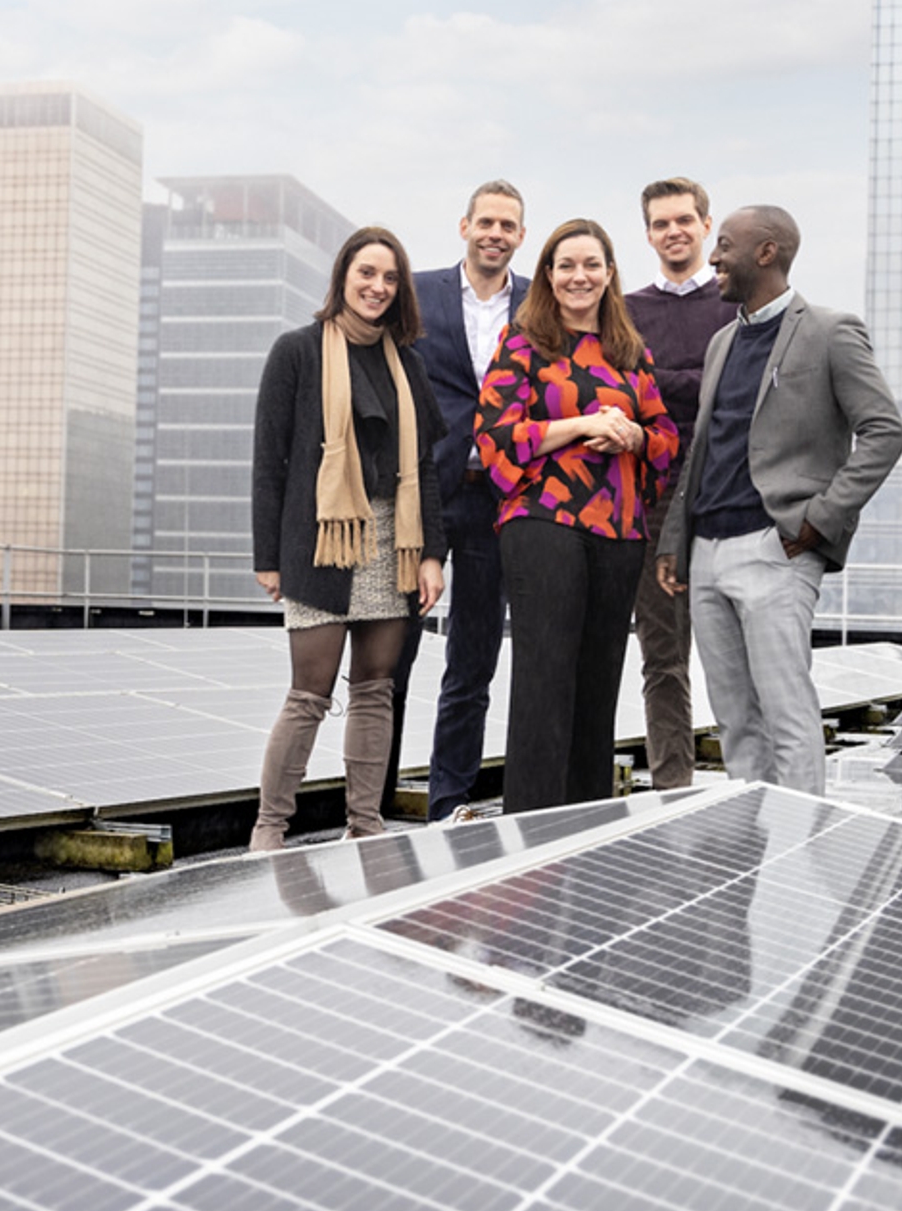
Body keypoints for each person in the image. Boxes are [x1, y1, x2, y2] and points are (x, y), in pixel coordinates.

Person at [656, 206, 902, 794]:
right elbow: (704, 447)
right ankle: (756, 837)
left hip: (777, 547)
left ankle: (801, 837)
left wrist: (820, 521)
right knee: (735, 721)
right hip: (706, 552)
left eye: (725, 245)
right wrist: (675, 539)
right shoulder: (722, 342)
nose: (715, 257)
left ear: (766, 252)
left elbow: (884, 431)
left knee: (787, 714)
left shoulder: (830, 331)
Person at [250, 225, 448, 849]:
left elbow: (427, 467)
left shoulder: (407, 363)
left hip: (394, 537)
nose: (377, 287)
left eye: (390, 278)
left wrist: (432, 555)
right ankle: (269, 827)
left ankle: (365, 825)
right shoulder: (297, 351)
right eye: (367, 273)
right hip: (320, 540)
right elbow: (270, 459)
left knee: (375, 690)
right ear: (343, 277)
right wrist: (267, 558)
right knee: (308, 693)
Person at [475, 219, 678, 814]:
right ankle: (530, 830)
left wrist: (633, 435)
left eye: (591, 265)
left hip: (620, 533)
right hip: (544, 523)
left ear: (609, 274)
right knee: (544, 680)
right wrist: (584, 424)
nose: (579, 276)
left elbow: (666, 438)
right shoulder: (523, 343)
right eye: (566, 265)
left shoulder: (631, 352)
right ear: (548, 274)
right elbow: (494, 436)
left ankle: (587, 827)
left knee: (599, 686)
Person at [410, 181, 531, 821]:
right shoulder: (418, 293)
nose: (495, 234)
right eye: (486, 222)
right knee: (391, 655)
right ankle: (367, 810)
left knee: (474, 658)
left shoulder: (539, 301)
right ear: (465, 226)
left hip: (499, 496)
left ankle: (448, 801)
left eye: (507, 226)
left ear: (521, 236)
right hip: (426, 490)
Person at [624, 177, 732, 789]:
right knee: (662, 656)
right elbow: (628, 390)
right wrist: (698, 380)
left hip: (727, 491)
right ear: (648, 234)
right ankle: (673, 789)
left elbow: (736, 390)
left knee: (735, 654)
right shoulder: (628, 311)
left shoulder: (735, 303)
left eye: (684, 220)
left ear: (706, 225)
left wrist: (662, 380)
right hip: (656, 495)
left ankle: (750, 784)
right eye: (661, 223)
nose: (674, 232)